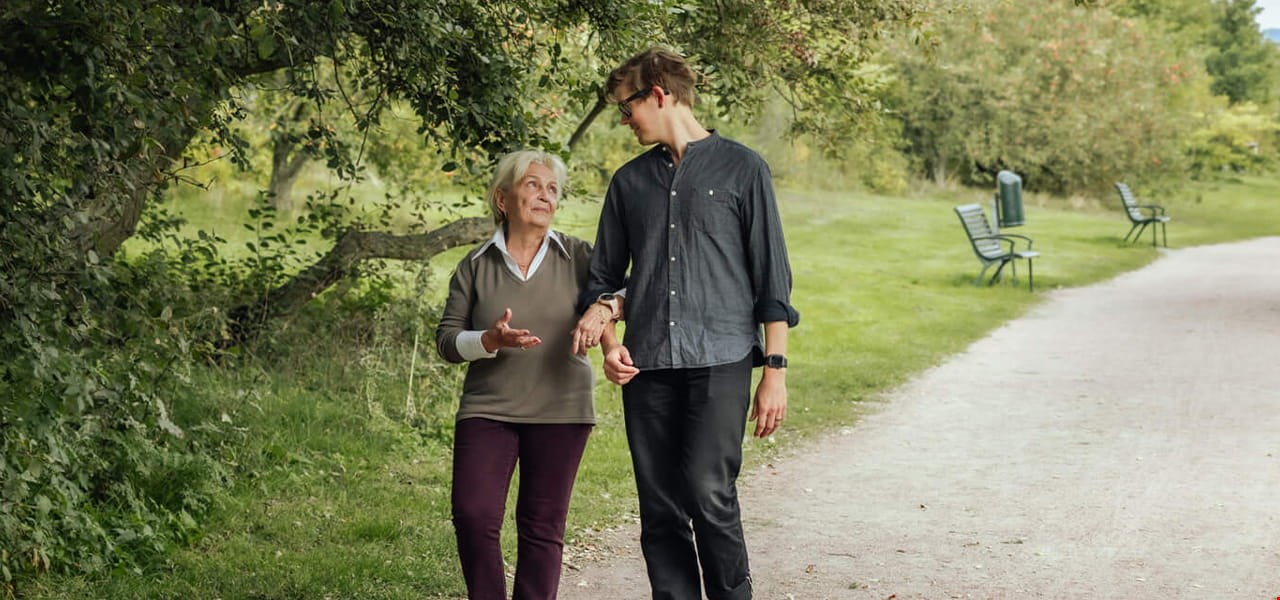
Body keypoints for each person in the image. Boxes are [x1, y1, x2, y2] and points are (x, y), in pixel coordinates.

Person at [573, 48, 800, 600]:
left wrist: (774, 370)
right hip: (646, 363)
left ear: (659, 93)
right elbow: (604, 277)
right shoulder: (628, 184)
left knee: (707, 491)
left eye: (627, 109)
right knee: (659, 503)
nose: (624, 121)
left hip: (720, 358)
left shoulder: (743, 169)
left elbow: (772, 278)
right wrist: (608, 343)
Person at [435, 149, 618, 600]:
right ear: (503, 198)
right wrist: (489, 342)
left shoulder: (579, 256)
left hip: (562, 408)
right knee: (473, 515)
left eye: (552, 189)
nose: (545, 195)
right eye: (533, 185)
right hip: (488, 408)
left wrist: (608, 327)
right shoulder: (475, 265)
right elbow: (446, 341)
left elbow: (620, 295)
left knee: (542, 526)